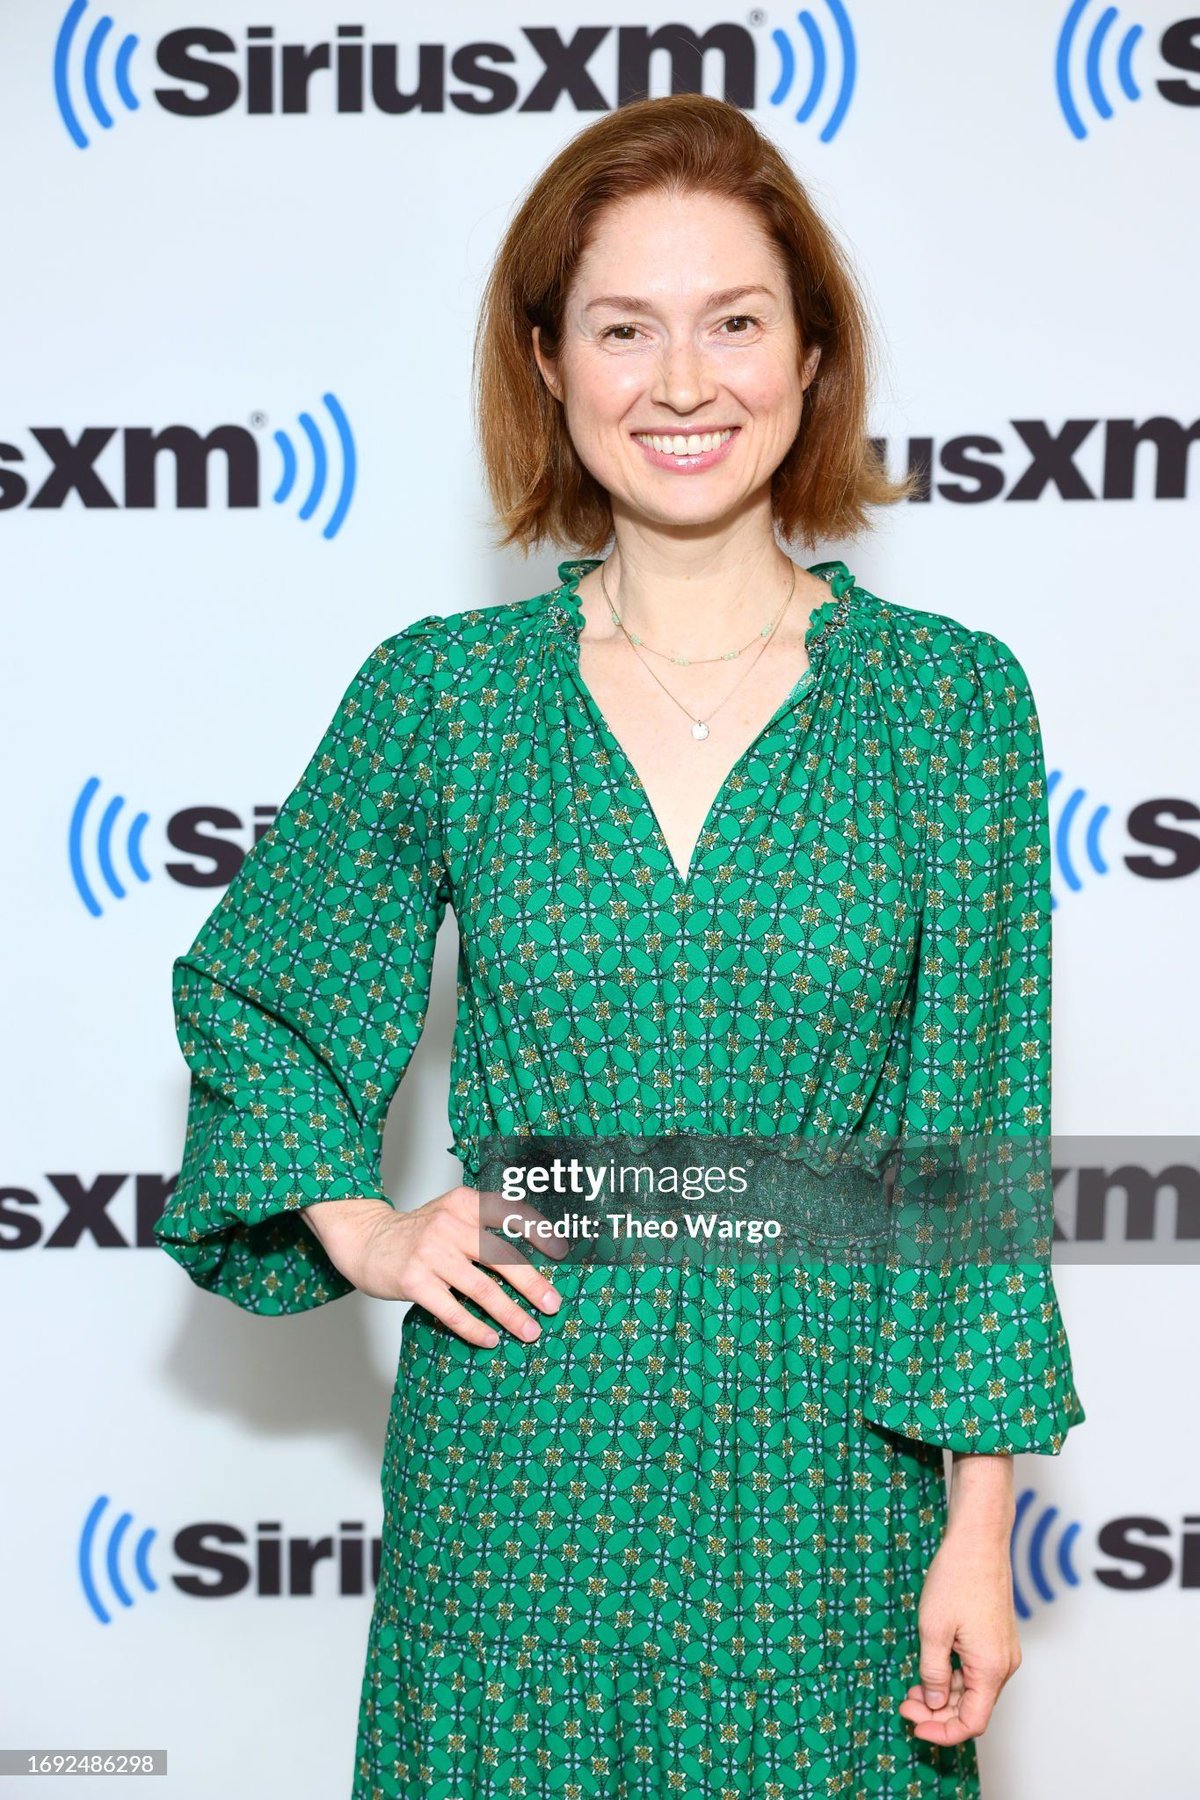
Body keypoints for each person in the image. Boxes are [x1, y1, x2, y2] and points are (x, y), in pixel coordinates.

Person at [155, 93, 1086, 1799]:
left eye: (734, 322)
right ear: (548, 360)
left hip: (828, 1484)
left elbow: (971, 1146)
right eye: (623, 328)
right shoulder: (445, 697)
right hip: (516, 1471)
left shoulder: (950, 704)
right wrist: (365, 1225)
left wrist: (980, 1526)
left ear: (810, 355)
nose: (682, 382)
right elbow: (263, 993)